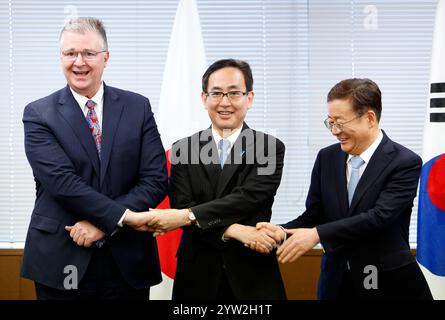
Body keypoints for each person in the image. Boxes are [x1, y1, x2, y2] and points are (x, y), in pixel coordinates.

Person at [21, 17, 168, 300]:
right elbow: (63, 183)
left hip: (127, 261)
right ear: (61, 57)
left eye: (88, 53)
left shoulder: (138, 107)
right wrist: (121, 216)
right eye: (70, 53)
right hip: (63, 257)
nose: (79, 62)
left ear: (106, 57)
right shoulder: (38, 114)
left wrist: (103, 225)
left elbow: (156, 179)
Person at [254, 78, 433, 300]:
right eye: (330, 122)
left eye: (340, 122)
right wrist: (283, 231)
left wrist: (316, 235)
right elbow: (315, 215)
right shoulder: (326, 158)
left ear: (369, 118)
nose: (335, 130)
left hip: (386, 280)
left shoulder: (404, 162)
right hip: (335, 281)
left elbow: (379, 217)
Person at [148, 59, 287, 300]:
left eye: (234, 93)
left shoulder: (269, 147)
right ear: (204, 98)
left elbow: (248, 199)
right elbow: (182, 206)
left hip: (252, 274)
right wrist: (236, 231)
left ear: (249, 97)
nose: (225, 102)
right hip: (197, 275)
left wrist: (191, 216)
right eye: (216, 93)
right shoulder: (183, 150)